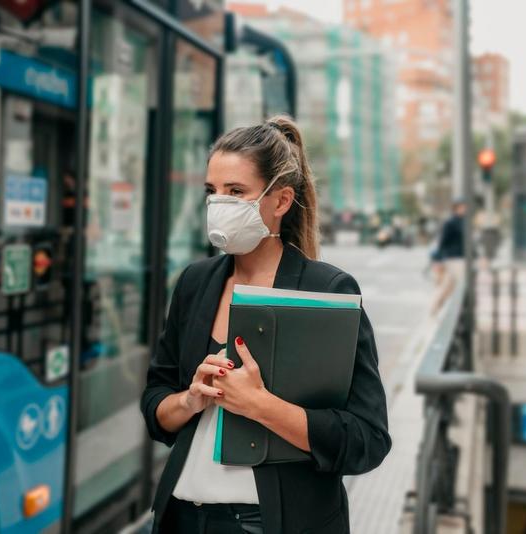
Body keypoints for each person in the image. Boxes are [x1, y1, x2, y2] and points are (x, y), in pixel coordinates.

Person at [140, 116, 391, 534]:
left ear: (281, 201)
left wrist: (259, 405)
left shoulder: (326, 289)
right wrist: (190, 400)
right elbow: (155, 404)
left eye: (235, 191)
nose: (219, 204)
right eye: (212, 192)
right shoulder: (195, 283)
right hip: (180, 517)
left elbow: (367, 438)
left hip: (269, 523)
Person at [430, 199, 467, 314]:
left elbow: (467, 242)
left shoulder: (464, 222)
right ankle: (460, 313)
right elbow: (443, 242)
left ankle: (435, 309)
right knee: (463, 284)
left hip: (461, 258)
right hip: (453, 259)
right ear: (457, 208)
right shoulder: (450, 222)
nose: (465, 209)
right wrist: (438, 260)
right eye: (463, 206)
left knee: (448, 287)